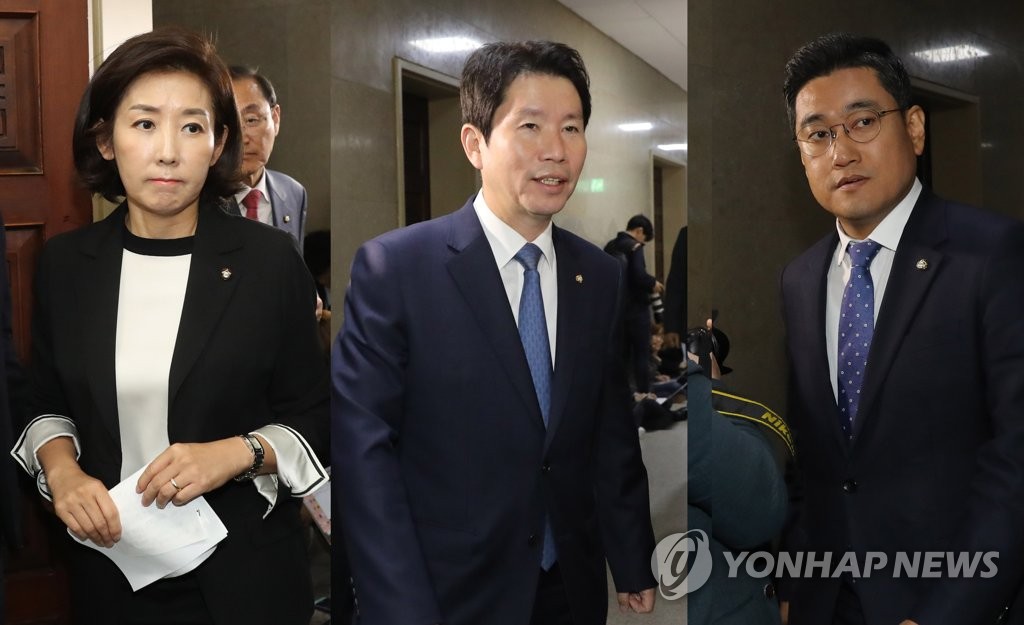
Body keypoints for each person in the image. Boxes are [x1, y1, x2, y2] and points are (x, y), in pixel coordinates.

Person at [10, 27, 328, 625]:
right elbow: (43, 401)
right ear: (105, 140)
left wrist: (237, 453)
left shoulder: (268, 263)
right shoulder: (66, 265)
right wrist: (63, 471)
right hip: (112, 569)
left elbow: (318, 415)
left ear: (218, 143)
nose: (168, 152)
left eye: (192, 127)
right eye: (144, 123)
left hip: (247, 577)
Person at [332, 40, 657, 625]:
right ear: (474, 144)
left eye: (572, 128)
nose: (556, 150)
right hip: (446, 592)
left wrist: (633, 556)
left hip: (567, 586)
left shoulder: (598, 275)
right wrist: (400, 608)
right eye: (530, 126)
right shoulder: (397, 269)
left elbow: (609, 429)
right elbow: (365, 457)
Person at [779, 33, 1024, 625]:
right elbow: (813, 456)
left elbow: (1016, 459)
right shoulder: (799, 279)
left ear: (914, 128)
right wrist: (793, 583)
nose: (841, 152)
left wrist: (946, 612)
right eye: (818, 134)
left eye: (862, 122)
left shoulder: (993, 254)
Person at [229, 65, 307, 249]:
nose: (242, 139)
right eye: (230, 123)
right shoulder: (198, 197)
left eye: (251, 120)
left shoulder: (293, 193)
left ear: (275, 118)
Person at [604, 215, 664, 394]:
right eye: (644, 239)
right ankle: (644, 393)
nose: (642, 243)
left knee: (621, 356)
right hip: (637, 311)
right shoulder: (635, 247)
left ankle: (625, 396)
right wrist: (653, 282)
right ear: (639, 231)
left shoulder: (610, 246)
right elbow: (639, 275)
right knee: (641, 354)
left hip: (616, 311)